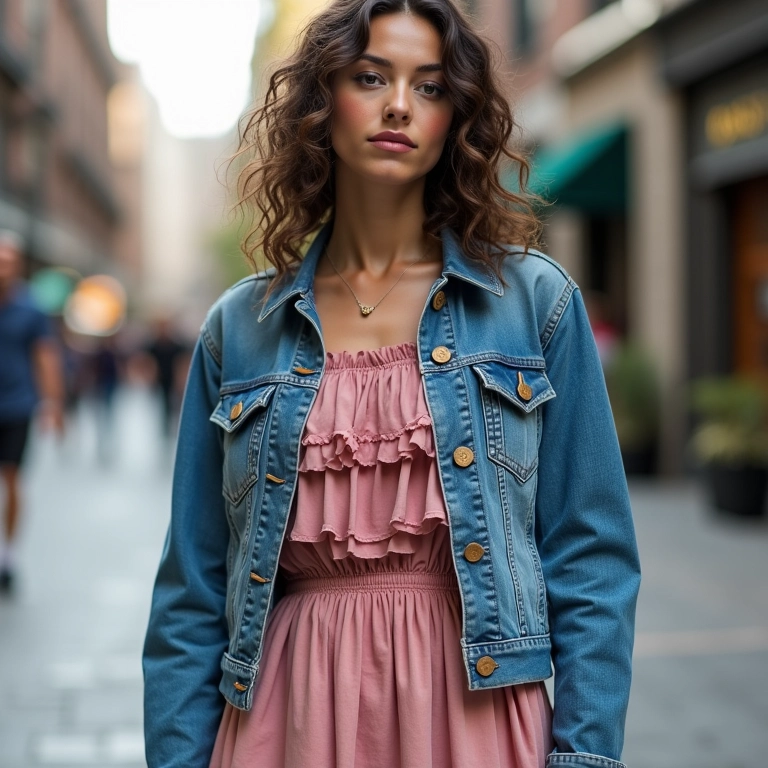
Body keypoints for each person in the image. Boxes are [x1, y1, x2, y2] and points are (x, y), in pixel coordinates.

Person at [143, 2, 641, 767]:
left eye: (432, 87)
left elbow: (592, 556)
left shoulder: (534, 305)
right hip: (290, 716)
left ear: (457, 118)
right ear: (321, 102)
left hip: (476, 712)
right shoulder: (240, 326)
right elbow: (193, 588)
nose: (400, 105)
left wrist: (583, 756)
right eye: (371, 77)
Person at [0, 230, 64, 593]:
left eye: (8, 260)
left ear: (17, 265)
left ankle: (7, 555)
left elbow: (46, 358)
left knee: (12, 480)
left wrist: (52, 404)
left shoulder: (31, 309)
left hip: (17, 406)